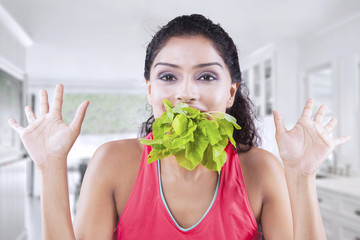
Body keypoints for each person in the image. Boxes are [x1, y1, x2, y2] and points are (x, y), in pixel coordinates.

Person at [8, 14, 350, 240]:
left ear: (230, 92)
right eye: (168, 76)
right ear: (151, 90)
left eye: (206, 76)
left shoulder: (261, 169)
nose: (186, 92)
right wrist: (50, 166)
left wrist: (302, 175)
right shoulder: (112, 162)